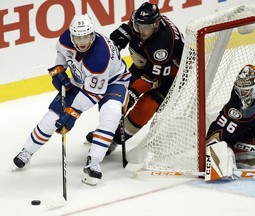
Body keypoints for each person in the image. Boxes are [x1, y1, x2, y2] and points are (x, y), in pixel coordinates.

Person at [13, 14, 131, 186]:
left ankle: (94, 163)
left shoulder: (99, 55)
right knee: (52, 118)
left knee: (111, 114)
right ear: (71, 34)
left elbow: (93, 94)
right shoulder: (65, 39)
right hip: (82, 79)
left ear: (93, 34)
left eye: (86, 36)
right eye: (78, 37)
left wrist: (72, 113)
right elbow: (62, 55)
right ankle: (27, 151)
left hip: (114, 80)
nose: (82, 41)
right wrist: (58, 70)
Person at [85, 2, 184, 154]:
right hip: (146, 66)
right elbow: (125, 32)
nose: (141, 30)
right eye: (139, 26)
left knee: (145, 108)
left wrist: (133, 93)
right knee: (118, 97)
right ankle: (106, 131)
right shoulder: (139, 22)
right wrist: (112, 47)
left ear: (156, 24)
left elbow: (152, 78)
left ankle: (115, 140)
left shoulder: (163, 44)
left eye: (145, 28)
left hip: (171, 77)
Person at [205, 57, 255, 181]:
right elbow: (219, 131)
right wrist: (214, 149)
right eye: (241, 91)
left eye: (247, 91)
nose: (243, 95)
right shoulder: (237, 104)